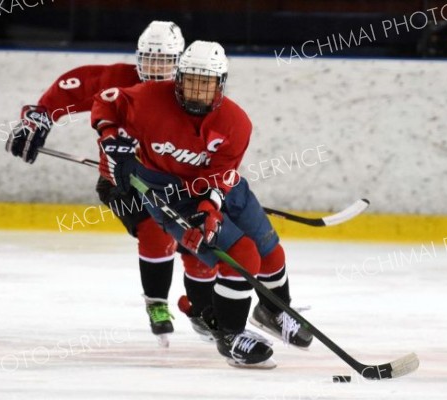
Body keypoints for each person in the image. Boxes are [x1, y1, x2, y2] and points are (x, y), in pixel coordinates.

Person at [91, 41, 312, 368]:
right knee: (243, 255)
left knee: (269, 249)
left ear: (220, 84)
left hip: (224, 188)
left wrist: (209, 208)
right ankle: (231, 336)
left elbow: (222, 176)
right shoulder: (149, 98)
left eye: (206, 83)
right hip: (170, 197)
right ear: (178, 78)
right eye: (190, 80)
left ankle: (274, 311)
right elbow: (104, 102)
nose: (196, 90)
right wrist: (110, 137)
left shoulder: (236, 123)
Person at [5, 21, 192, 346]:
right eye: (149, 59)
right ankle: (157, 303)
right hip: (123, 185)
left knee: (198, 239)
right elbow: (71, 86)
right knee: (155, 230)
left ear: (179, 62)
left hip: (172, 184)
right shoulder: (118, 81)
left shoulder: (190, 93)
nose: (156, 68)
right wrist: (39, 117)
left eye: (164, 61)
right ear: (138, 57)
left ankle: (202, 308)